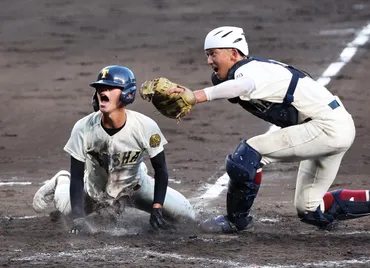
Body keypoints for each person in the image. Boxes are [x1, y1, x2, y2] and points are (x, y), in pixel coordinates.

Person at [168, 26, 370, 233]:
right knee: (310, 210)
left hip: (326, 127)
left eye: (213, 54)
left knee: (247, 155)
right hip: (330, 127)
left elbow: (244, 86)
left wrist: (197, 95)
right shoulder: (245, 71)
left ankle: (235, 220)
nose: (209, 61)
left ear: (234, 53)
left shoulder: (251, 71)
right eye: (207, 55)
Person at [33, 65, 196, 234]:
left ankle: (139, 169)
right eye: (101, 88)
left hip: (136, 189)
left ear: (127, 94)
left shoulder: (145, 126)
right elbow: (76, 176)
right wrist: (79, 218)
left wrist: (157, 207)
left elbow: (161, 169)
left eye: (110, 88)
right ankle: (61, 180)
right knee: (68, 212)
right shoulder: (83, 128)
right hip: (94, 192)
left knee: (188, 217)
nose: (104, 91)